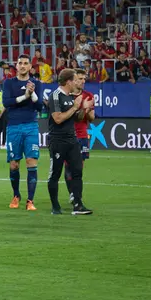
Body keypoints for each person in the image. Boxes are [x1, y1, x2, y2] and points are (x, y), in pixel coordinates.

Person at [46, 69, 93, 215]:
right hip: (58, 141)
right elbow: (58, 118)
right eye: (75, 80)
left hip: (72, 140)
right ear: (68, 81)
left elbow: (76, 119)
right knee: (55, 174)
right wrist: (75, 107)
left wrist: (83, 109)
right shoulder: (55, 96)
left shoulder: (71, 97)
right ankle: (55, 206)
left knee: (77, 171)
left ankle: (78, 205)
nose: (77, 83)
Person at [2, 55, 43, 211]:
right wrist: (24, 96)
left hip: (31, 126)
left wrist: (32, 94)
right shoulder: (9, 83)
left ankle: (30, 200)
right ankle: (16, 195)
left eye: (26, 63)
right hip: (13, 127)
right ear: (16, 66)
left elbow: (39, 106)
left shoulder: (36, 84)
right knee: (14, 164)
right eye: (20, 63)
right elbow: (6, 102)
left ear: (30, 67)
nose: (23, 66)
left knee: (31, 162)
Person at [66, 69, 95, 203]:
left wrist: (87, 109)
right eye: (80, 78)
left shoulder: (88, 96)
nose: (83, 81)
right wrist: (83, 107)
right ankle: (72, 193)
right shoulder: (66, 95)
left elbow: (92, 118)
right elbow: (72, 118)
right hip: (68, 135)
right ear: (73, 80)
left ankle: (77, 194)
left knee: (79, 167)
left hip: (82, 135)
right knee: (68, 166)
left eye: (84, 79)